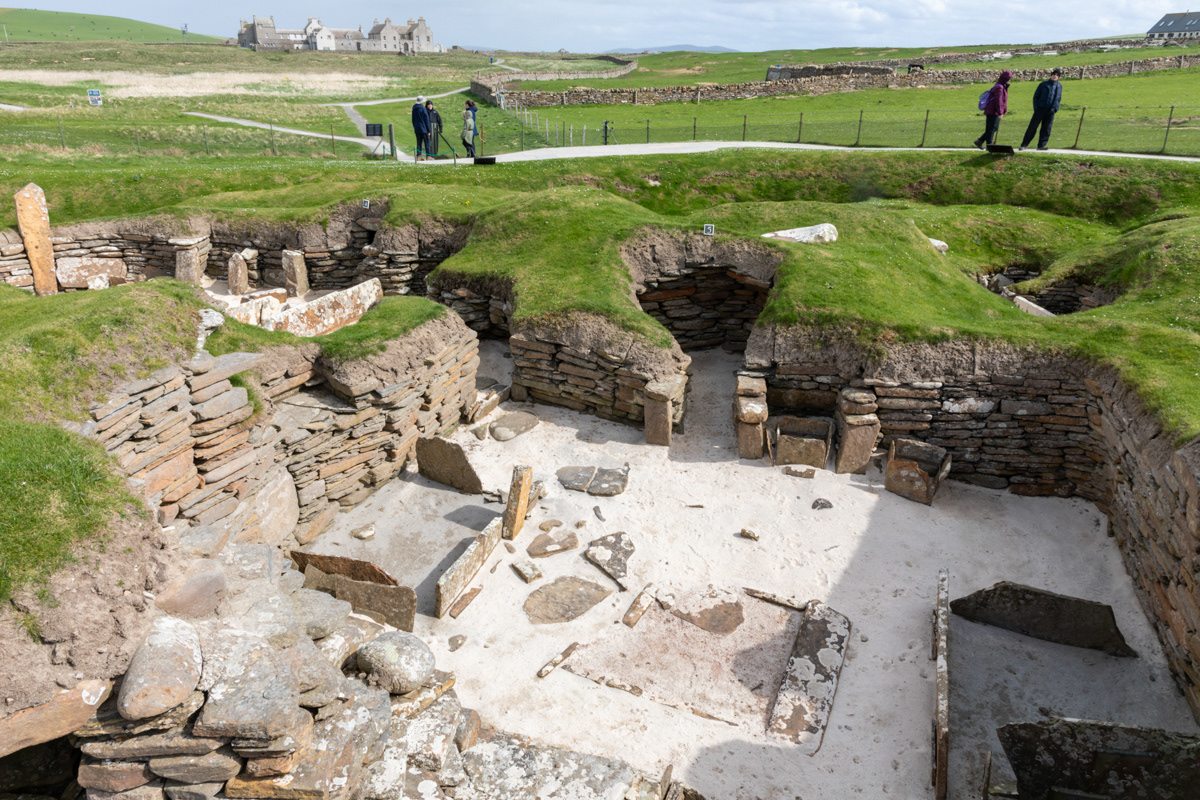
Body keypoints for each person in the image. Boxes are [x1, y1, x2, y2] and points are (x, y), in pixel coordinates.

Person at [1020, 68, 1062, 151]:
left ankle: (1041, 145)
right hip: (1040, 109)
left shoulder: (1059, 86)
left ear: (1059, 77)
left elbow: (1059, 98)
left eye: (1057, 75)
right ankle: (1024, 145)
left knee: (1046, 129)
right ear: (1051, 75)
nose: (1055, 76)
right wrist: (1036, 108)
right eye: (1054, 74)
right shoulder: (1043, 84)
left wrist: (1056, 108)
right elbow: (1036, 97)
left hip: (1051, 111)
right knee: (1032, 127)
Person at [974, 70, 1011, 150]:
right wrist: (1000, 112)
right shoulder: (999, 88)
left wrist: (1004, 109)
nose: (1009, 80)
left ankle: (980, 141)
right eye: (1008, 78)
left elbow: (1004, 100)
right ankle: (989, 145)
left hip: (995, 111)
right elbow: (998, 101)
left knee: (994, 128)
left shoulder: (1002, 86)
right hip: (993, 111)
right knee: (991, 129)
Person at [411, 95, 431, 161]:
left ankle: (418, 156)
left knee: (419, 143)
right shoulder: (423, 109)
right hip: (424, 128)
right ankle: (428, 156)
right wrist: (429, 130)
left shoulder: (414, 109)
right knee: (426, 142)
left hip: (417, 128)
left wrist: (415, 127)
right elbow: (426, 120)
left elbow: (413, 119)